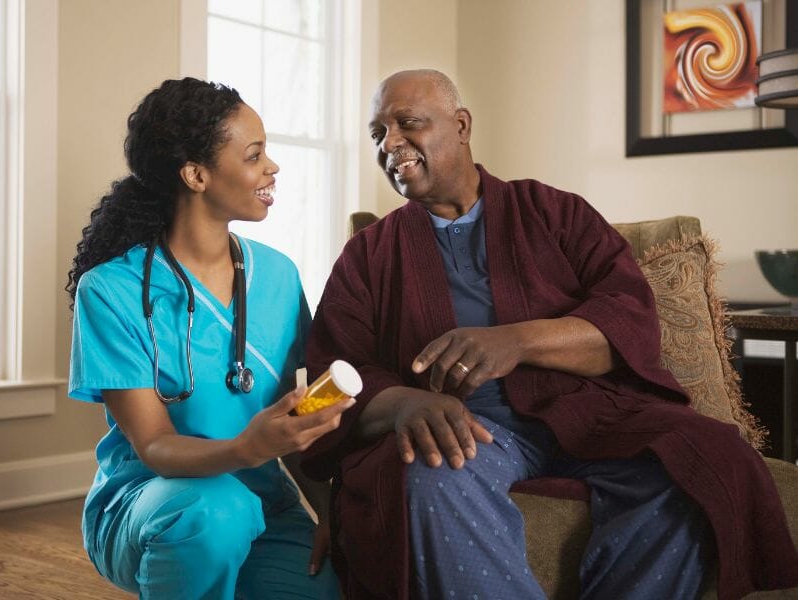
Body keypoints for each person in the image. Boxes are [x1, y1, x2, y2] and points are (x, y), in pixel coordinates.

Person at [301, 69, 798, 599]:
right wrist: (403, 403)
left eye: (407, 123)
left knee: (701, 461)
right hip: (470, 428)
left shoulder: (555, 212)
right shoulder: (369, 255)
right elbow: (332, 376)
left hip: (588, 412)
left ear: (462, 125)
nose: (390, 143)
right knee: (431, 472)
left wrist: (517, 340)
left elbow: (630, 319)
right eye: (378, 133)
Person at [66, 77, 349, 599]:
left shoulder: (279, 276)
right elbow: (152, 444)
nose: (273, 167)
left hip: (264, 504)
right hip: (155, 504)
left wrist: (332, 511)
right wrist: (247, 446)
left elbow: (294, 418)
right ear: (196, 174)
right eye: (254, 154)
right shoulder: (110, 290)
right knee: (218, 514)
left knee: (325, 587)